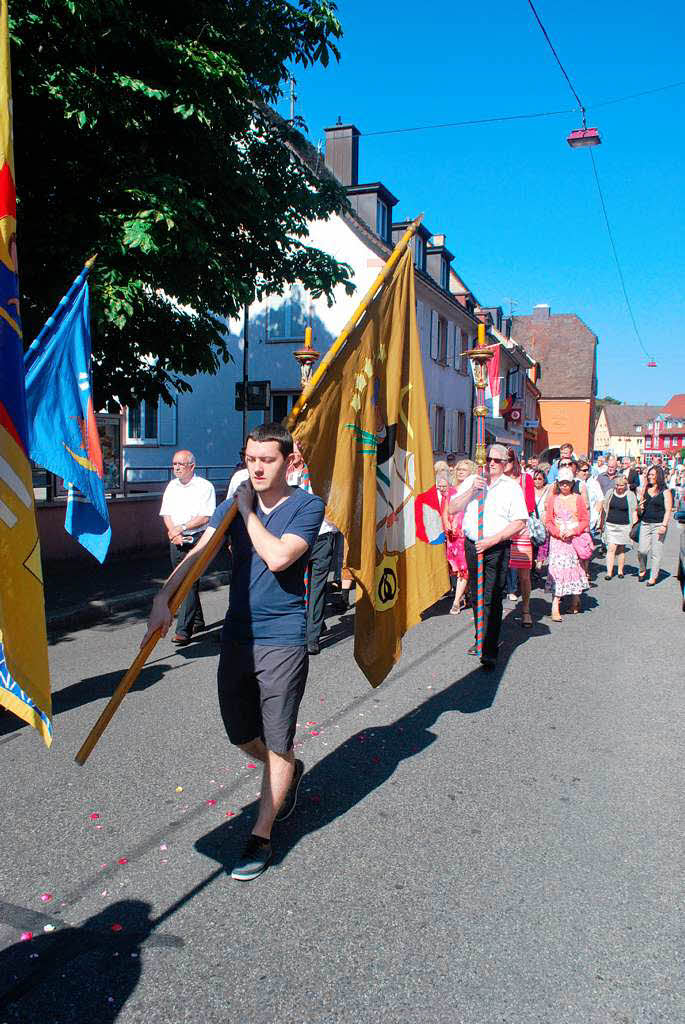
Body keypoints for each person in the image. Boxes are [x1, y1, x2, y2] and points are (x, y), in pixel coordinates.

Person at [143, 423, 324, 881]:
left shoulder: (307, 506)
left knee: (278, 736)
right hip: (237, 636)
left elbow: (279, 557)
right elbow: (199, 553)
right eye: (251, 459)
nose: (257, 467)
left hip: (282, 637)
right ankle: (286, 772)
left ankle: (261, 835)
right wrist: (165, 597)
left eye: (267, 460)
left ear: (288, 462)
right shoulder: (231, 505)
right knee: (241, 733)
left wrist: (246, 513)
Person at [449, 443, 528, 669]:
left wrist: (494, 539)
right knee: (477, 595)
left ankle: (489, 648)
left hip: (496, 547)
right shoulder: (473, 481)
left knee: (492, 596)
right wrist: (472, 491)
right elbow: (453, 508)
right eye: (489, 459)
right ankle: (479, 637)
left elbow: (520, 521)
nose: (491, 463)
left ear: (505, 465)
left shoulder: (511, 487)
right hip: (472, 544)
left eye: (496, 460)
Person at [159, 450, 216, 645]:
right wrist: (174, 533)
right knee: (181, 579)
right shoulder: (171, 487)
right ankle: (197, 620)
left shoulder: (204, 487)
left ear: (192, 466)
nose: (176, 468)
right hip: (176, 539)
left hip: (197, 538)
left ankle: (183, 630)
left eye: (180, 464)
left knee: (188, 582)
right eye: (174, 464)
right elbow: (166, 513)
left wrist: (181, 528)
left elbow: (205, 516)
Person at [288, 442, 339, 655]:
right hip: (296, 538)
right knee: (297, 587)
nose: (294, 455)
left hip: (322, 535)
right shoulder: (287, 476)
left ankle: (312, 637)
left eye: (298, 450)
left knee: (317, 589)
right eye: (292, 451)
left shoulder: (321, 474)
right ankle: (301, 628)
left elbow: (336, 503)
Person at [545, 468, 589, 619]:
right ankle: (555, 605)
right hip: (557, 540)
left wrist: (573, 531)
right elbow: (549, 521)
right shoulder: (553, 499)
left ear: (572, 483)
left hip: (573, 539)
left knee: (573, 568)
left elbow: (585, 520)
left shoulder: (578, 499)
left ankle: (576, 599)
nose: (564, 486)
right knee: (556, 570)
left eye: (567, 483)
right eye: (561, 483)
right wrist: (557, 533)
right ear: (557, 483)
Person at [504, 446, 535, 627]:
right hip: (500, 530)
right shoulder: (496, 481)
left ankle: (525, 610)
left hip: (520, 530)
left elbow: (529, 506)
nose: (502, 463)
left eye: (507, 460)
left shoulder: (525, 479)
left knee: (524, 575)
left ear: (514, 461)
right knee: (499, 573)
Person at [442, 458, 475, 614]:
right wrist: (446, 525)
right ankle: (464, 593)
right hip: (452, 534)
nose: (461, 471)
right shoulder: (451, 490)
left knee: (464, 567)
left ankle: (456, 601)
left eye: (464, 469)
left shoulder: (473, 489)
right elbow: (445, 509)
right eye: (459, 469)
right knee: (454, 567)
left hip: (465, 532)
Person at [637, 465, 673, 585]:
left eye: (653, 475)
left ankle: (653, 577)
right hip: (645, 523)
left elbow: (668, 510)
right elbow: (641, 507)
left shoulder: (665, 491)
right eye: (649, 475)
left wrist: (664, 525)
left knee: (656, 552)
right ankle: (642, 569)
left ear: (659, 476)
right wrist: (639, 508)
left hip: (658, 524)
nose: (650, 477)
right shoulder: (645, 488)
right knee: (642, 550)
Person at [601, 475, 638, 580]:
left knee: (621, 549)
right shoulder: (610, 493)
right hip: (610, 525)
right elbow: (604, 508)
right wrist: (601, 524)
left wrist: (634, 527)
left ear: (626, 485)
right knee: (611, 548)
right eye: (617, 485)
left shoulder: (630, 495)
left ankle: (620, 571)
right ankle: (609, 572)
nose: (619, 487)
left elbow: (634, 511)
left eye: (621, 485)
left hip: (625, 525)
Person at [532, 468, 550, 571]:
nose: (537, 481)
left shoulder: (548, 490)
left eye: (540, 479)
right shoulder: (530, 490)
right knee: (534, 544)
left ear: (544, 480)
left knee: (543, 544)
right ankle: (534, 565)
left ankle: (539, 566)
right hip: (533, 522)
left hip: (543, 521)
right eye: (535, 479)